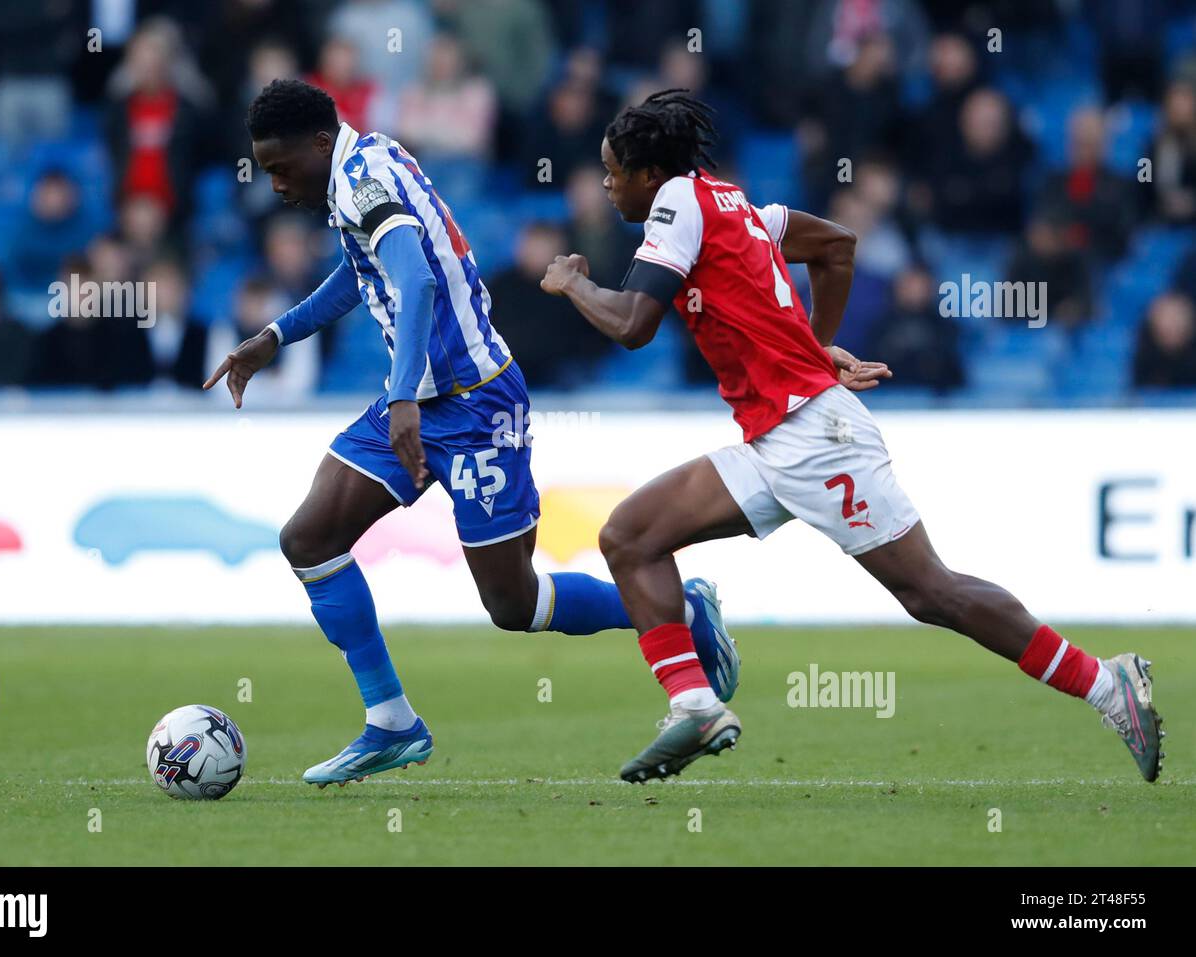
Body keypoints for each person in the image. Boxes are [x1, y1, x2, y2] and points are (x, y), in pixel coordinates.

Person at [540, 90, 1164, 784]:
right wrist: (813, 345)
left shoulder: (677, 204)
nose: (605, 183)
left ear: (647, 173)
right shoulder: (735, 204)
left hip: (814, 435)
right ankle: (694, 701)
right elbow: (836, 246)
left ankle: (1108, 684)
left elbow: (632, 325)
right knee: (631, 535)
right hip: (778, 437)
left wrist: (572, 284)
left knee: (933, 593)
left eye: (611, 170)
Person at [202, 80, 739, 788]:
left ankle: (687, 612)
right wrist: (277, 333)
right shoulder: (362, 168)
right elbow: (363, 274)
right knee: (309, 537)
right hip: (419, 400)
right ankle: (391, 721)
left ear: (316, 144)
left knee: (514, 605)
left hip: (476, 404)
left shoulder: (362, 184)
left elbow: (418, 283)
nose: (273, 184)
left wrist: (399, 400)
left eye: (279, 167)